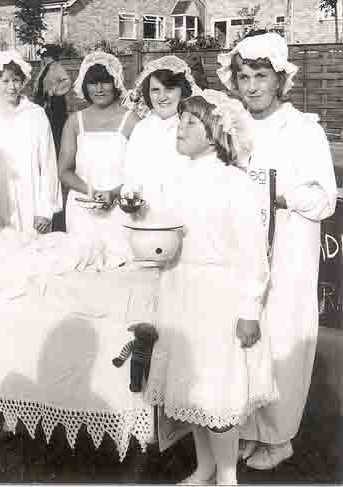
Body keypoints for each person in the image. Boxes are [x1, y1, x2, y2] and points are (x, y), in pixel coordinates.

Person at [216, 32, 338, 470]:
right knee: (247, 334)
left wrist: (277, 196)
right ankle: (249, 428)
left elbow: (324, 197)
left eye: (261, 76)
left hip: (288, 248)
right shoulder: (234, 126)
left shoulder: (302, 128)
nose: (251, 86)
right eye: (244, 76)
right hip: (243, 251)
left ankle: (280, 435)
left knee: (282, 333)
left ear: (280, 80)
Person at [144, 90, 277, 485]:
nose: (179, 128)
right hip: (181, 289)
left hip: (218, 296)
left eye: (190, 123)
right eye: (180, 121)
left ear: (215, 132)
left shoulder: (234, 182)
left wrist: (249, 310)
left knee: (217, 391)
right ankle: (204, 467)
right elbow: (165, 230)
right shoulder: (177, 176)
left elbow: (254, 252)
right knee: (194, 392)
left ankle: (228, 475)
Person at [58, 51, 139, 263]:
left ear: (116, 83)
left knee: (120, 267)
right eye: (93, 83)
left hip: (120, 208)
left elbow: (142, 170)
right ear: (85, 86)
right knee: (82, 266)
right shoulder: (75, 121)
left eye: (105, 82)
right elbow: (64, 171)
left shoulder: (131, 120)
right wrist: (91, 191)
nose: (99, 89)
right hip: (82, 207)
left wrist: (114, 193)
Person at [0, 50, 62, 235]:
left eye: (16, 80)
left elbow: (48, 164)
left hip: (30, 198)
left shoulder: (36, 114)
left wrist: (45, 210)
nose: (11, 87)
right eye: (4, 81)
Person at [122, 55, 197, 203]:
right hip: (145, 214)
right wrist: (131, 193)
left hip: (184, 211)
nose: (162, 97)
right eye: (155, 90)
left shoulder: (194, 126)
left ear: (182, 91)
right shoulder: (141, 129)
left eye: (169, 89)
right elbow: (131, 175)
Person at [33, 43, 72, 232]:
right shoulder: (46, 68)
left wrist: (55, 92)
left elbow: (67, 82)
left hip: (55, 106)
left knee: (55, 130)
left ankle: (56, 150)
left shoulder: (57, 68)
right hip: (45, 105)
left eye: (46, 55)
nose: (44, 58)